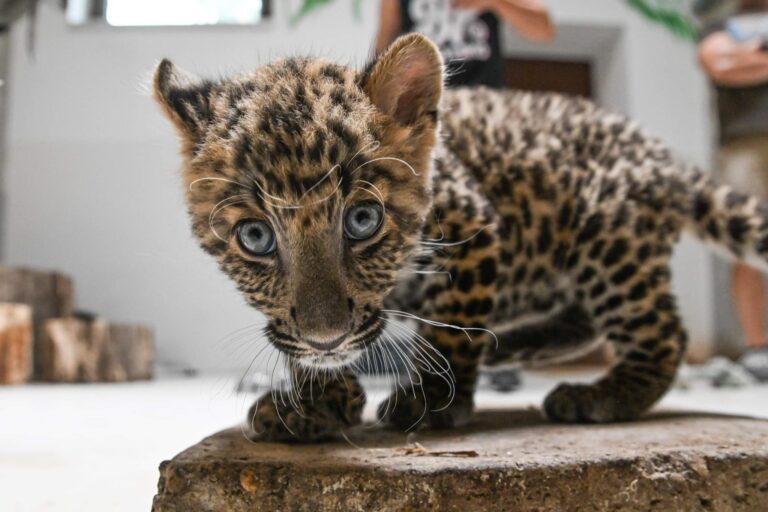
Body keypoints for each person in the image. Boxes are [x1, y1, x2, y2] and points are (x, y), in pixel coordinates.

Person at [374, 0, 553, 391]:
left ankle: (496, 347)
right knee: (428, 238)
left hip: (486, 122)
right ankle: (433, 351)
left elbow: (544, 29)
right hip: (423, 122)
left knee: (492, 233)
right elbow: (384, 41)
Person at [697, 0, 768, 381]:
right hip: (743, 142)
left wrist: (751, 58)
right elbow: (719, 65)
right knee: (747, 241)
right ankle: (758, 348)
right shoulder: (719, 17)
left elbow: (736, 64)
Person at [375, 0, 554, 88]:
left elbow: (544, 30)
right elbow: (386, 40)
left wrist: (494, 2)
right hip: (422, 105)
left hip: (483, 105)